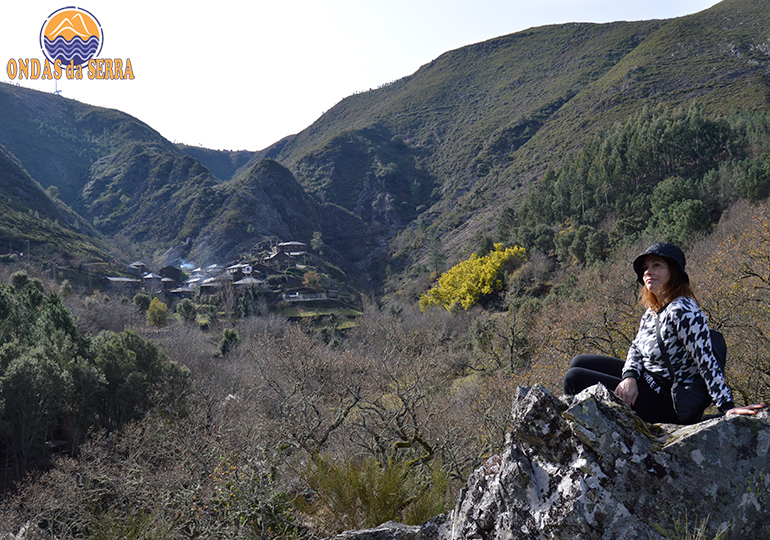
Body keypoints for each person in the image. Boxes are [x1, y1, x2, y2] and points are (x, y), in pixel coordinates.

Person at [563, 242, 764, 424]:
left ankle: (577, 435)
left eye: (656, 265)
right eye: (645, 268)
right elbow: (636, 347)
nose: (648, 272)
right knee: (579, 362)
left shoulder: (683, 311)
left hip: (668, 401)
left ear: (673, 272)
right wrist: (630, 378)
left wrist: (727, 406)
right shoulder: (654, 310)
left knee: (574, 378)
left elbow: (706, 360)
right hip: (647, 381)